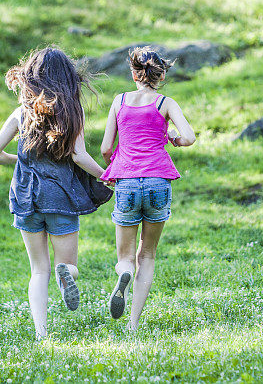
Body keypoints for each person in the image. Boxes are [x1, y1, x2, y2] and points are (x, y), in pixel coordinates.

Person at [0, 46, 106, 340]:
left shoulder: (20, 112)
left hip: (26, 199)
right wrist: (107, 176)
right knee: (68, 266)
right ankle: (68, 277)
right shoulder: (72, 112)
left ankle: (41, 334)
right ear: (67, 78)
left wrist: (22, 162)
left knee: (39, 271)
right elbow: (78, 156)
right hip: (60, 199)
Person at [99, 46, 196, 331]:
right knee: (148, 254)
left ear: (133, 73)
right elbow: (188, 137)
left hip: (127, 182)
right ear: (162, 74)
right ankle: (133, 324)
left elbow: (106, 148)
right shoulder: (165, 103)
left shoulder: (120, 101)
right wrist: (173, 141)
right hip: (158, 181)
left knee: (126, 258)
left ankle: (124, 273)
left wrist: (113, 167)